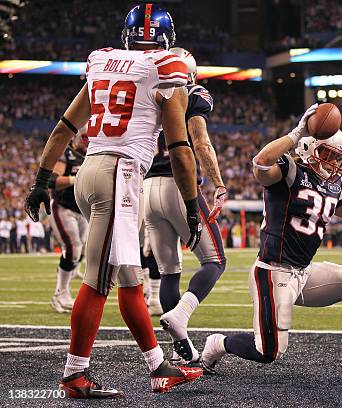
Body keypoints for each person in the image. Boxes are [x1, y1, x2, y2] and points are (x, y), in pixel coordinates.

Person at [23, 4, 203, 398]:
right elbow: (180, 150)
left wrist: (41, 180)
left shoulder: (103, 62)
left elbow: (64, 127)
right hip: (119, 178)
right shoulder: (165, 69)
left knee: (128, 279)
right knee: (98, 280)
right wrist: (192, 208)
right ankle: (75, 375)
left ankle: (159, 368)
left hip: (91, 171)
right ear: (166, 39)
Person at [200, 105, 342, 381]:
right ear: (308, 148)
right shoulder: (288, 172)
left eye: (338, 158)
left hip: (304, 271)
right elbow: (261, 163)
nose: (333, 164)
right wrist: (297, 132)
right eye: (327, 155)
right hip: (273, 272)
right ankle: (217, 343)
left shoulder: (334, 187)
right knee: (269, 352)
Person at [143, 46, 227, 366]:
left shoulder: (149, 92)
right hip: (179, 185)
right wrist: (218, 183)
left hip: (147, 188)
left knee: (169, 272)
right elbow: (199, 140)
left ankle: (182, 349)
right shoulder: (193, 92)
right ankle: (181, 314)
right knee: (214, 261)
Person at [49, 133, 88, 313]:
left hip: (83, 210)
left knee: (82, 250)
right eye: (84, 137)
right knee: (73, 248)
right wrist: (76, 178)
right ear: (75, 138)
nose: (87, 141)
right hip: (63, 207)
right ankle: (61, 293)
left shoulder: (93, 154)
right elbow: (53, 181)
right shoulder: (68, 154)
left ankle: (62, 291)